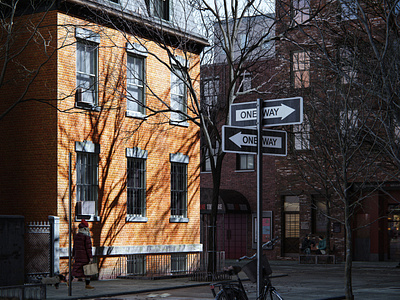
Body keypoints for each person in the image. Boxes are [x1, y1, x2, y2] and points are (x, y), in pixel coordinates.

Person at [72, 219, 94, 289]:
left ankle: (69, 280)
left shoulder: (77, 236)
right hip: (85, 256)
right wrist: (90, 257)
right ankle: (87, 284)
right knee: (89, 270)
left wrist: (73, 255)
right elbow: (88, 247)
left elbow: (74, 246)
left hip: (78, 256)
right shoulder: (86, 236)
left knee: (76, 269)